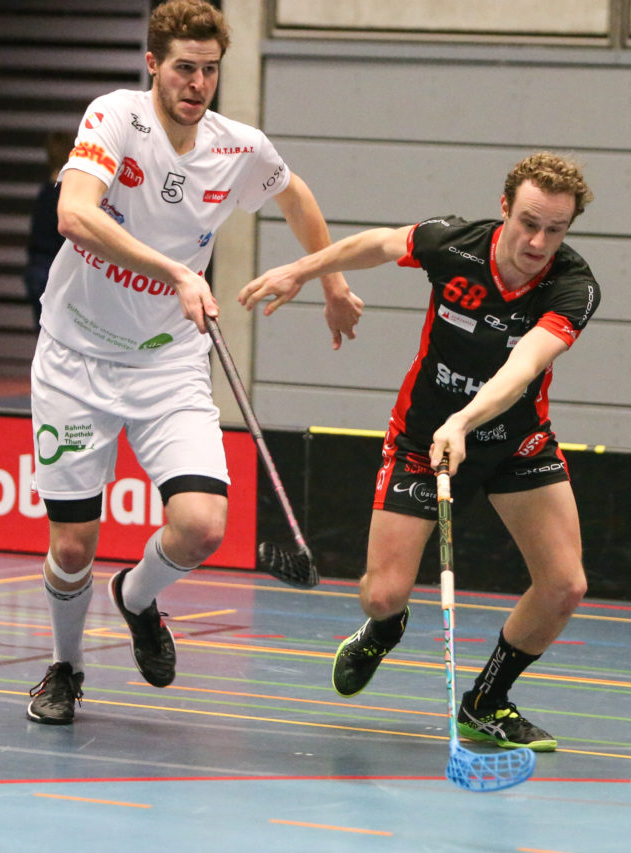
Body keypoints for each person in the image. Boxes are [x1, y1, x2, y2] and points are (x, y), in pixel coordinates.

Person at [25, 0, 363, 725]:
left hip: (167, 364)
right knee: (73, 543)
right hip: (74, 358)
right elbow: (74, 214)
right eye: (184, 67)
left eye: (210, 70)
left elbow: (294, 194)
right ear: (153, 64)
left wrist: (329, 279)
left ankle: (138, 597)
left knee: (203, 524)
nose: (198, 83)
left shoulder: (237, 147)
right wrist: (178, 273)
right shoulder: (116, 119)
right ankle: (65, 666)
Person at [239, 152, 598, 751]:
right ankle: (383, 630)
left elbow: (524, 364)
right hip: (419, 440)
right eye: (528, 222)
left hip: (514, 441)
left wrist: (464, 420)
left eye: (554, 230)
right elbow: (380, 244)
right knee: (383, 593)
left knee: (565, 585)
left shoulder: (572, 286)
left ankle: (486, 703)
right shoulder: (453, 244)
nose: (538, 241)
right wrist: (303, 272)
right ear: (504, 207)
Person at [22, 131, 72, 330]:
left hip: (37, 268)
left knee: (44, 336)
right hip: (54, 271)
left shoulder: (44, 192)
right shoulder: (68, 196)